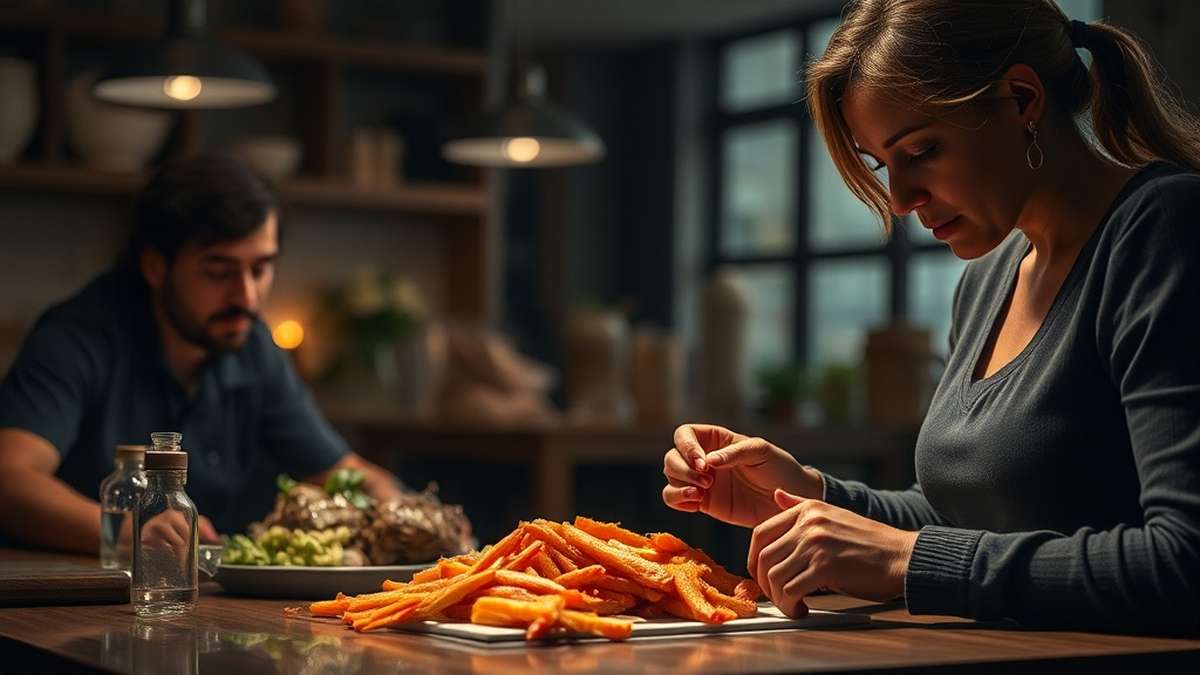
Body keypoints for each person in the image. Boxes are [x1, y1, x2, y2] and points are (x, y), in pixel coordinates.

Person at [663, 0, 1200, 635]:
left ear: (1023, 100)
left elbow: (1183, 563)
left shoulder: (1165, 231)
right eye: (882, 165)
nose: (900, 199)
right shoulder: (987, 281)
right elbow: (968, 523)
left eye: (921, 150)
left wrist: (906, 559)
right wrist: (809, 496)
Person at [0, 155, 405, 553]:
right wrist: (126, 531)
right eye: (218, 271)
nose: (246, 296)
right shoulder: (77, 338)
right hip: (64, 599)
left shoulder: (253, 346)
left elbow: (342, 473)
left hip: (193, 597)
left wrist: (401, 512)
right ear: (156, 266)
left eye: (260, 269)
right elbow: (9, 476)